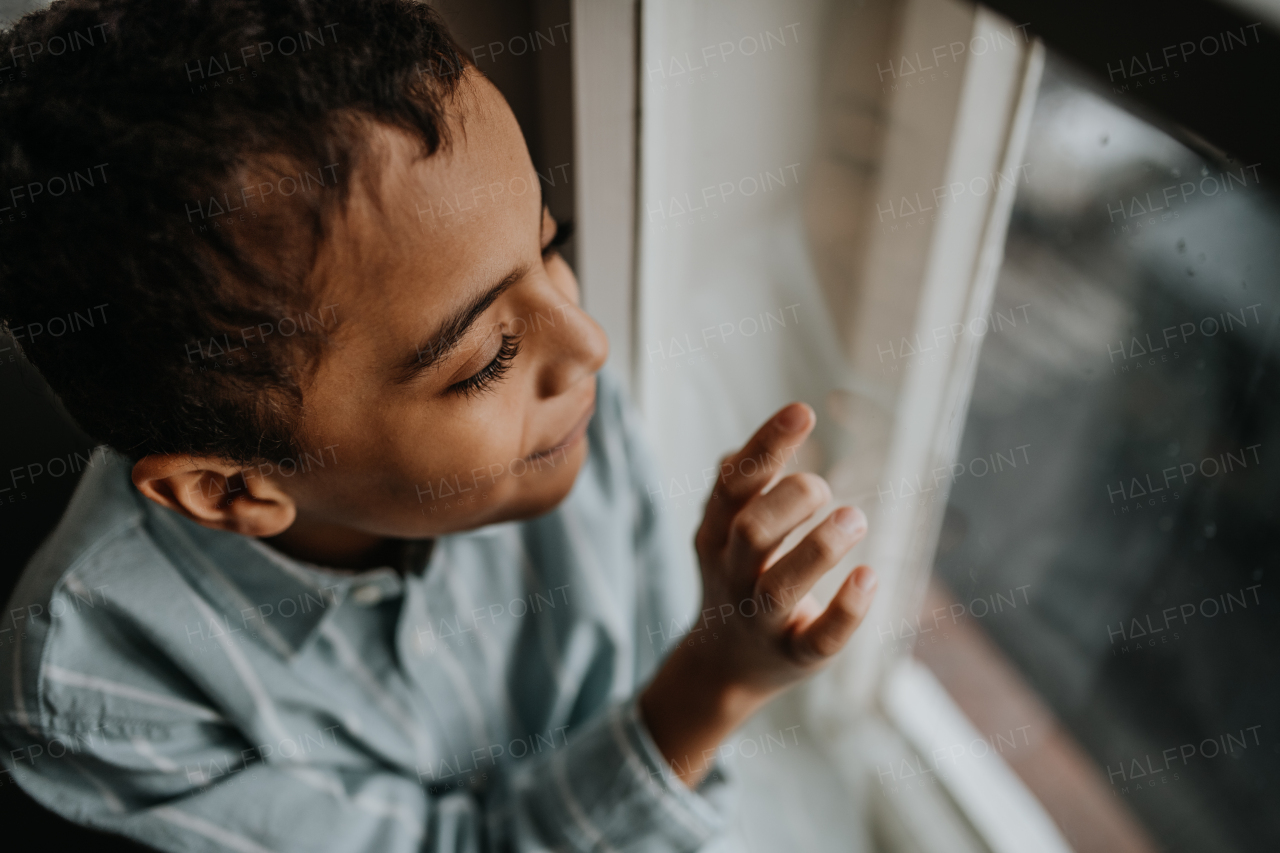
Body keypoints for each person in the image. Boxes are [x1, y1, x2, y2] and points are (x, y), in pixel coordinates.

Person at [0, 1, 877, 850]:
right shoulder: (94, 682)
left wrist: (724, 623)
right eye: (487, 358)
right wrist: (716, 683)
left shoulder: (552, 390)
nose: (589, 343)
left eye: (550, 243)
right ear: (230, 488)